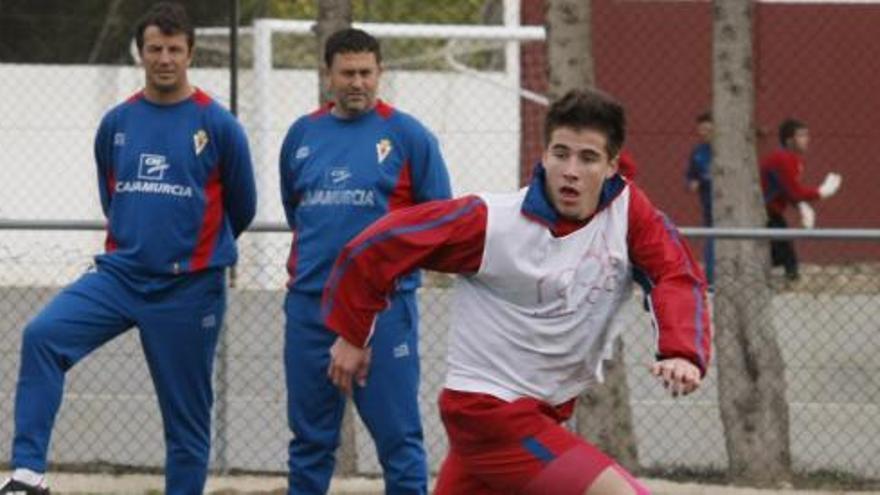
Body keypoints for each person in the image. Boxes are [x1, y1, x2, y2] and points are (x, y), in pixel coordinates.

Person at [323, 88, 712, 495]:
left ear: (612, 166)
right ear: (544, 156)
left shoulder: (629, 214)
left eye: (588, 158)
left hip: (535, 414)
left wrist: (682, 349)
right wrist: (352, 332)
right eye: (560, 154)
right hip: (491, 415)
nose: (571, 170)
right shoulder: (493, 223)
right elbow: (379, 244)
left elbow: (676, 273)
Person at [0, 3, 257, 494]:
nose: (164, 58)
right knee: (42, 336)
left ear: (190, 53)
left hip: (189, 290)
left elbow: (241, 208)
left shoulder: (218, 125)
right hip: (118, 278)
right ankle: (28, 476)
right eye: (155, 48)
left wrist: (194, 252)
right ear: (141, 53)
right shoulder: (117, 122)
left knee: (186, 424)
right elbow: (112, 196)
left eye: (174, 49)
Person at [278, 28, 452, 494]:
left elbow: (439, 223)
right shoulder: (301, 135)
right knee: (309, 443)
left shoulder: (409, 137)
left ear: (380, 74)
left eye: (366, 73)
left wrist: (377, 283)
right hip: (310, 309)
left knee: (399, 441)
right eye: (347, 73)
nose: (358, 82)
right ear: (327, 76)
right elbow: (296, 211)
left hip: (384, 312)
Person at [760, 118, 841, 281]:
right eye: (802, 135)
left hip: (771, 212)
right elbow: (795, 192)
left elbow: (787, 191)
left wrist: (804, 208)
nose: (807, 139)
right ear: (790, 140)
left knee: (782, 252)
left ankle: (778, 278)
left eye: (807, 135)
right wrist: (822, 191)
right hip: (765, 212)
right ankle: (786, 280)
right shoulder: (783, 159)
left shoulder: (790, 159)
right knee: (786, 256)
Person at [684, 111, 715, 288]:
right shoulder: (698, 152)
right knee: (711, 239)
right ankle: (711, 278)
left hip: (725, 207)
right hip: (708, 205)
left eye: (707, 129)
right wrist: (692, 183)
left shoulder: (725, 151)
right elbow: (690, 176)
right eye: (701, 129)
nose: (704, 133)